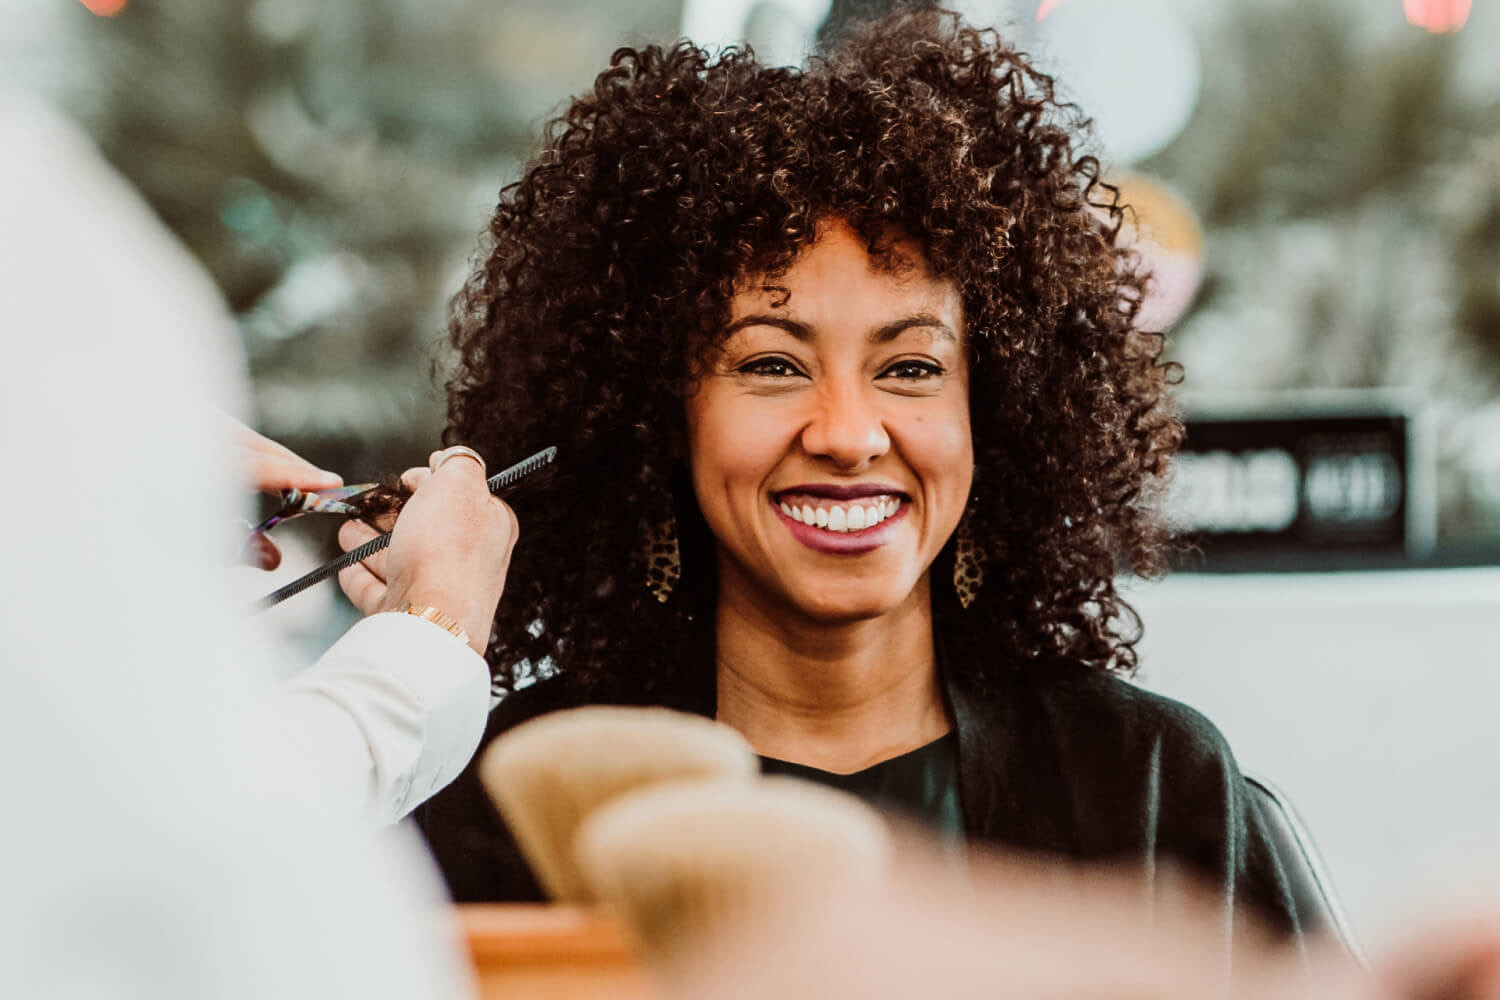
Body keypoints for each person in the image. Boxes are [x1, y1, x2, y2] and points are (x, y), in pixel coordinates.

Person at [336, 6, 1284, 937]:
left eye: (910, 368)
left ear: (993, 415)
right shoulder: (507, 800)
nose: (848, 433)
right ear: (660, 415)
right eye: (773, 364)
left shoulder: (1152, 783)